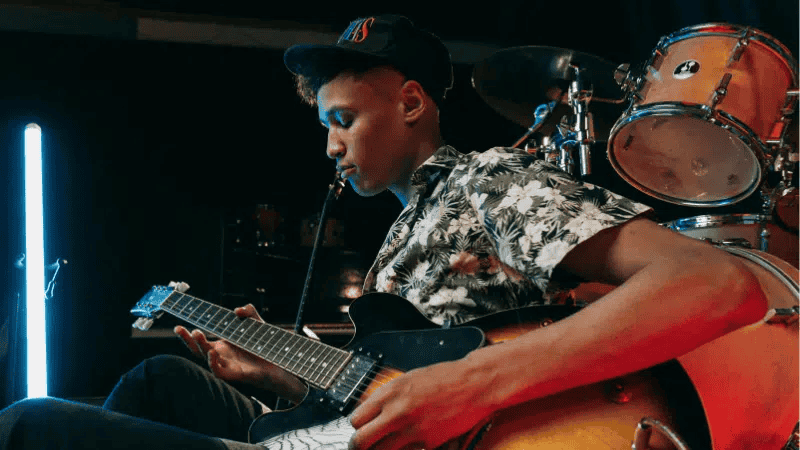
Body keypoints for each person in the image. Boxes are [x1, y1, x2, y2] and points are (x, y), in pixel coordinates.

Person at [0, 14, 769, 450]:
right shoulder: (407, 229)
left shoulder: (489, 180)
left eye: (344, 121)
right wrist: (272, 371)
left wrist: (477, 380)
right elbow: (391, 378)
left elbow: (714, 283)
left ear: (409, 105)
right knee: (158, 380)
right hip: (358, 430)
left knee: (28, 425)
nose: (330, 145)